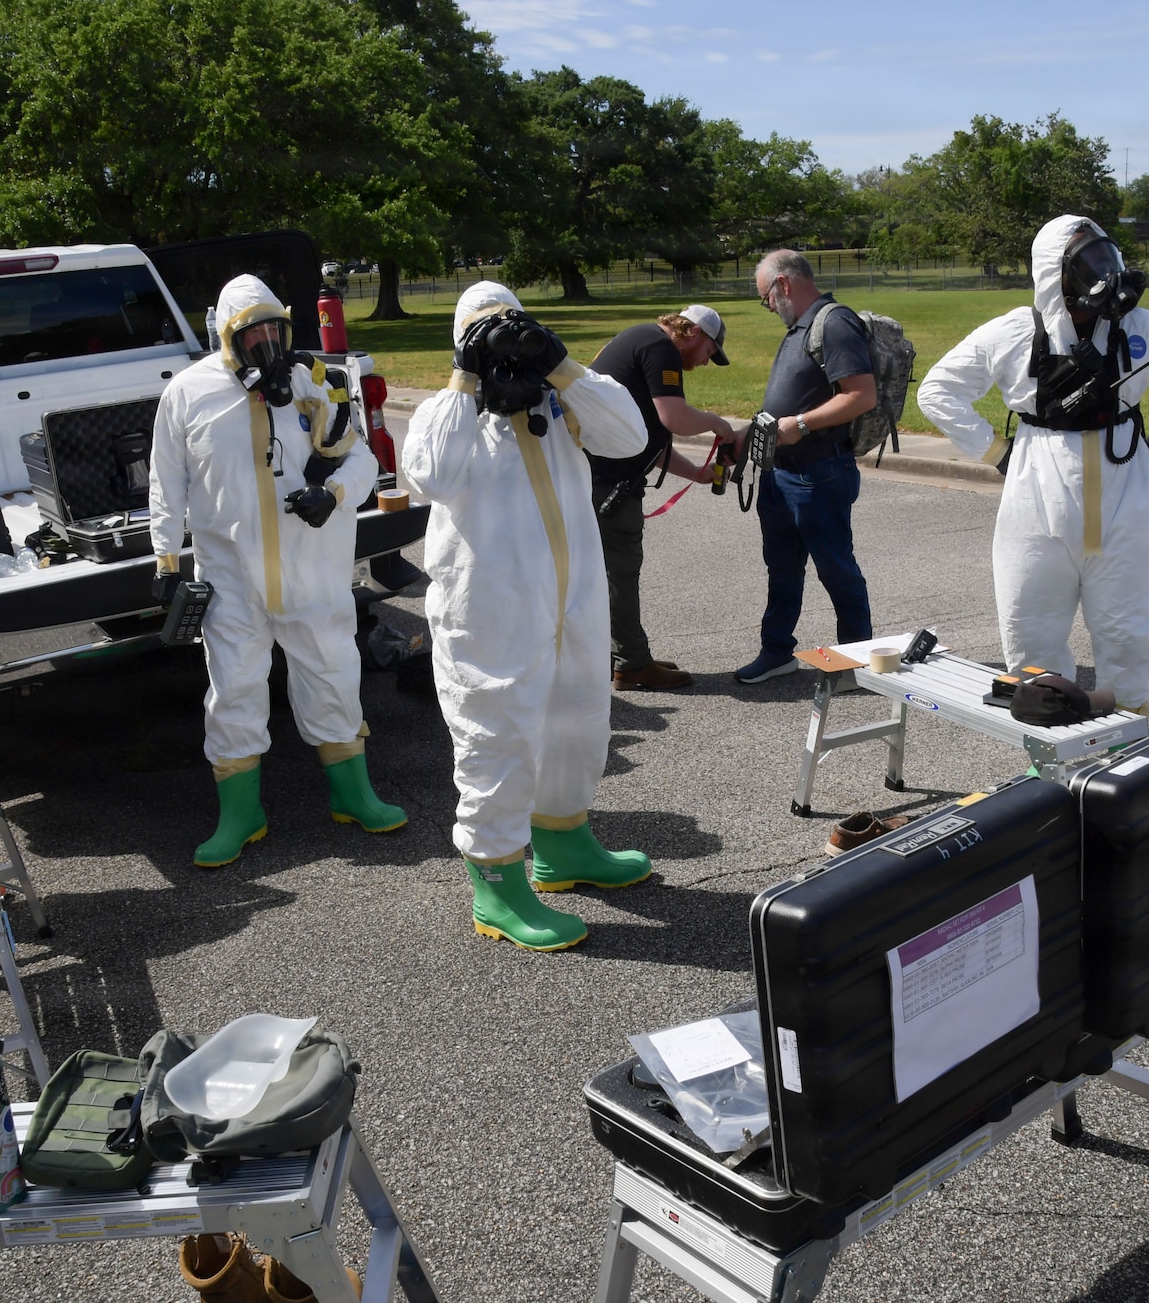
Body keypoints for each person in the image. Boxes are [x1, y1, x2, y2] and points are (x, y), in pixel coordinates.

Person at [402, 282, 654, 951]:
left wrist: (561, 362)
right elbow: (426, 474)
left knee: (578, 714)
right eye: (487, 335)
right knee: (498, 729)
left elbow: (630, 435)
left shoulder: (561, 400)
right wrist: (466, 376)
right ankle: (495, 883)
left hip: (573, 596)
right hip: (489, 603)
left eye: (511, 330)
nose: (504, 350)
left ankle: (565, 842)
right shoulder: (445, 412)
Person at [149, 274, 405, 870]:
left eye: (275, 329)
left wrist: (334, 493)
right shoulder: (187, 393)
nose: (266, 342)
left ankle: (353, 795)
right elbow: (167, 482)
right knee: (235, 687)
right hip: (232, 577)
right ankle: (241, 815)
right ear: (226, 335)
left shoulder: (320, 383)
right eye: (252, 332)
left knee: (333, 672)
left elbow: (363, 457)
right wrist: (165, 559)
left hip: (312, 571)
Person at [917, 216, 1149, 713]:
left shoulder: (1140, 326)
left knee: (1127, 626)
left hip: (1124, 484)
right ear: (1057, 274)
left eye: (1105, 256)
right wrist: (997, 454)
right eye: (1088, 262)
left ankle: (1126, 749)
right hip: (1037, 486)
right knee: (1030, 622)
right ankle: (1045, 743)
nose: (1104, 272)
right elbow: (938, 391)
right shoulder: (1015, 331)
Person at [735, 250, 877, 684]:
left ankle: (856, 663)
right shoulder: (803, 326)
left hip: (818, 473)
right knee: (781, 566)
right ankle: (777, 651)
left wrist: (799, 423)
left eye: (766, 298)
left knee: (835, 567)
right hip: (781, 472)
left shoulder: (833, 322)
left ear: (783, 284)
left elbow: (861, 395)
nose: (769, 307)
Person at [587, 305, 738, 690]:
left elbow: (645, 441)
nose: (706, 362)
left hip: (596, 476)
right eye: (711, 352)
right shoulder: (660, 346)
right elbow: (673, 416)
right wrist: (717, 424)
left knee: (605, 572)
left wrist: (697, 474)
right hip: (608, 482)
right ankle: (633, 665)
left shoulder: (641, 339)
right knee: (621, 571)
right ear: (694, 334)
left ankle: (617, 653)